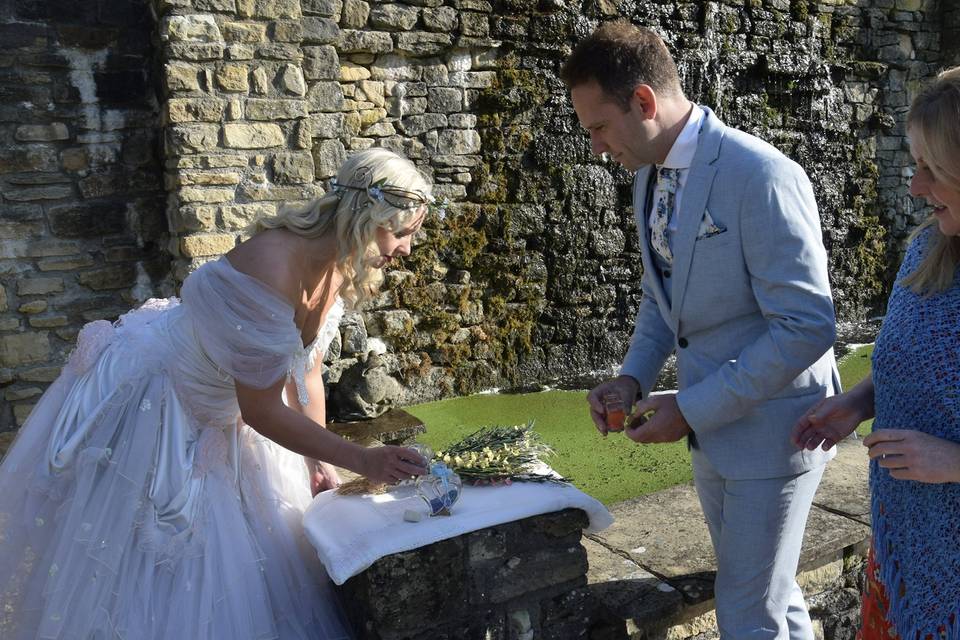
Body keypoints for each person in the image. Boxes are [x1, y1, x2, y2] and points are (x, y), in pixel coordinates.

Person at [0, 147, 436, 639]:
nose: (406, 248)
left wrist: (322, 462)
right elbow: (261, 410)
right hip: (160, 400)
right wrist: (364, 460)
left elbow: (306, 372)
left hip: (232, 404)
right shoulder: (273, 266)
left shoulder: (339, 262)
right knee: (150, 560)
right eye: (400, 232)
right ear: (364, 217)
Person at [562, 21, 840, 638]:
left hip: (775, 431)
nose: (597, 148)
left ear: (643, 102)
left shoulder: (761, 175)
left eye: (599, 127)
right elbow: (663, 299)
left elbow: (807, 327)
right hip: (713, 430)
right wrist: (632, 379)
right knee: (771, 597)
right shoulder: (647, 175)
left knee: (747, 611)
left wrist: (690, 408)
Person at [792, 67, 960, 639]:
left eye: (930, 169)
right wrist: (859, 401)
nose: (914, 186)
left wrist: (955, 462)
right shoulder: (926, 253)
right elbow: (910, 365)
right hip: (903, 551)